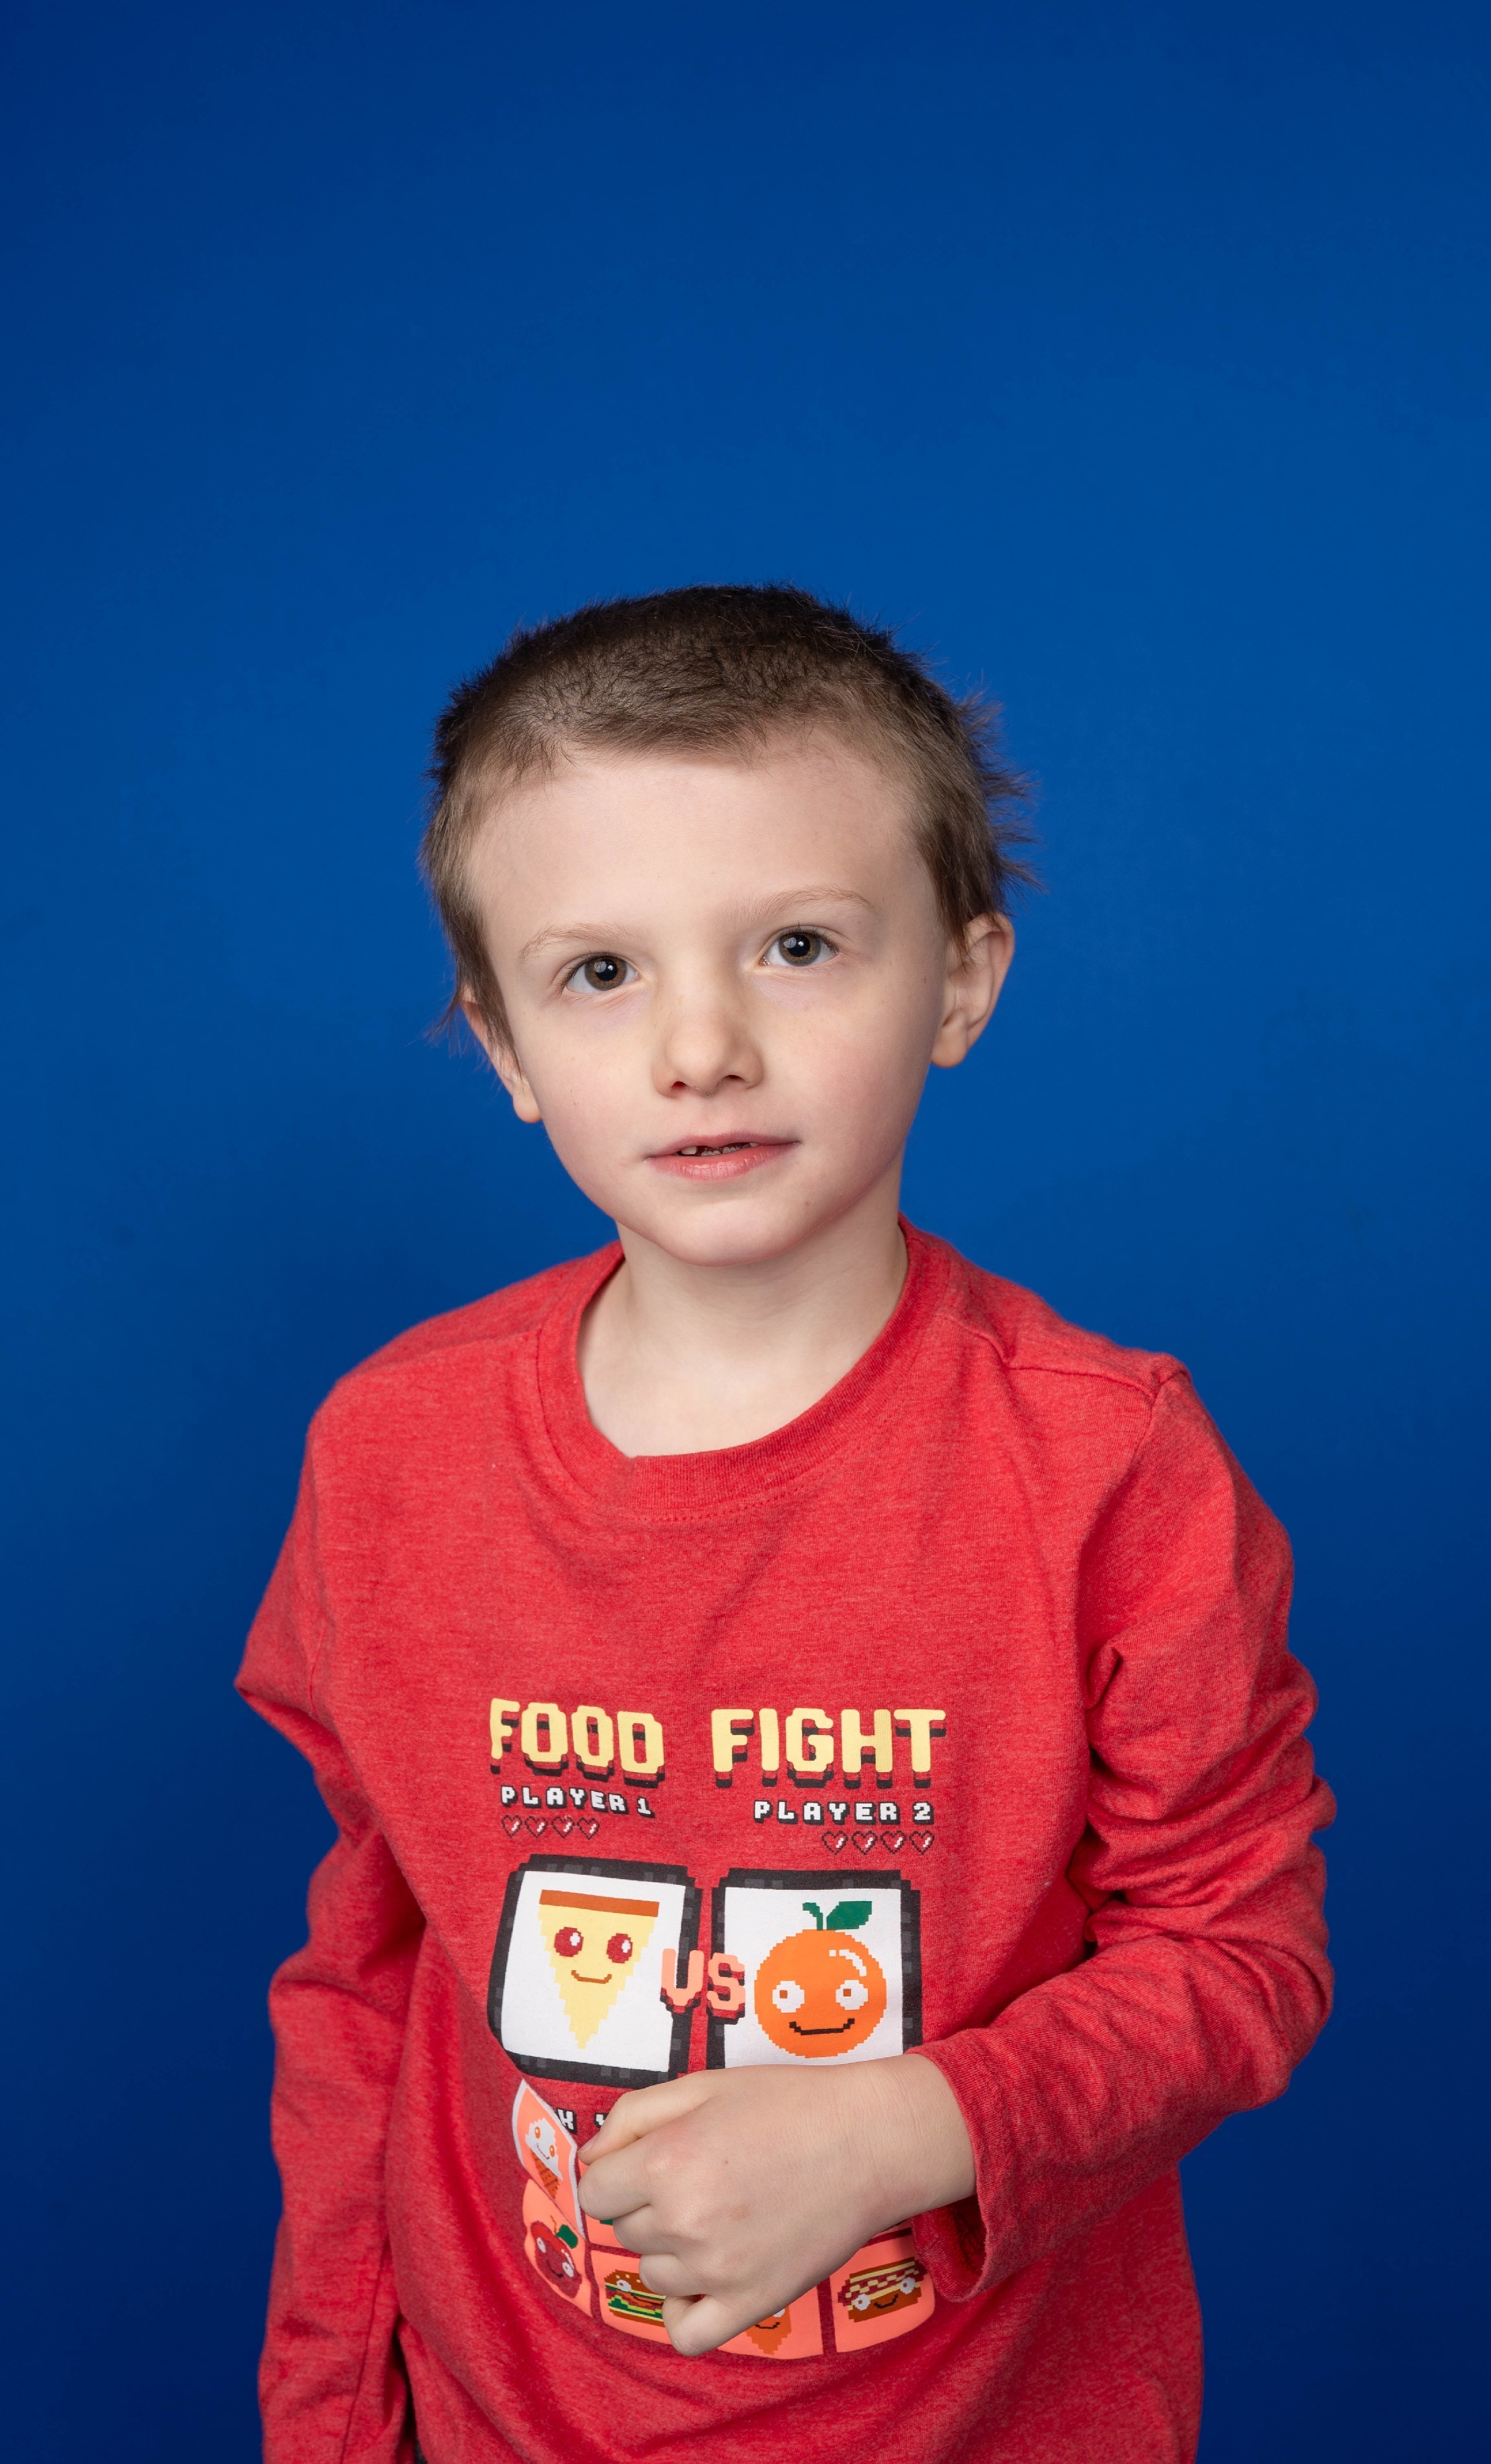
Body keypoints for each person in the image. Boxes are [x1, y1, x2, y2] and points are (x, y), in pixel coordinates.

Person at [238, 583, 1334, 2464]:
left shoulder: (1109, 1462)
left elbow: (1242, 1954)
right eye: (601, 973)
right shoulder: (387, 1452)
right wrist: (333, 2418)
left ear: (962, 982)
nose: (701, 1046)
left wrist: (916, 2126)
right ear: (503, 1046)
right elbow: (369, 1974)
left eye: (799, 946)